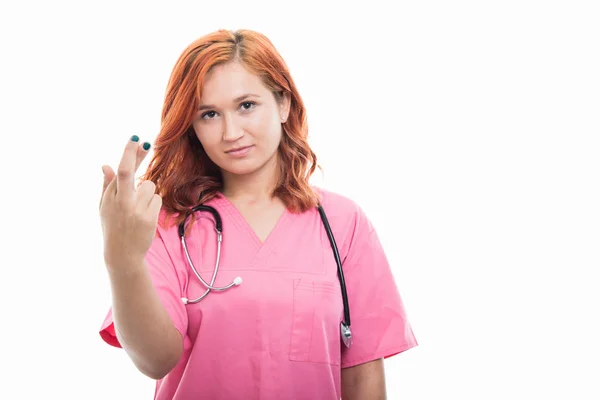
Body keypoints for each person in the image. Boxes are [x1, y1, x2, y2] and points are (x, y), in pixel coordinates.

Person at [98, 28, 418, 400]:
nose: (232, 132)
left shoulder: (343, 224)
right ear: (193, 128)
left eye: (246, 105)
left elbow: (363, 378)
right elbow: (155, 361)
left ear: (283, 103)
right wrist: (123, 262)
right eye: (209, 114)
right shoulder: (169, 223)